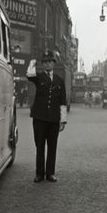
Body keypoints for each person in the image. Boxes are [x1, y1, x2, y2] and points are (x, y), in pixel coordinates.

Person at [26, 50, 67, 183]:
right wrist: (33, 61)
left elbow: (62, 101)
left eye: (50, 61)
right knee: (40, 146)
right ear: (43, 64)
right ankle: (39, 174)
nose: (47, 64)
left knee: (52, 146)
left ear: (53, 63)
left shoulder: (59, 81)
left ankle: (50, 173)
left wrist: (63, 120)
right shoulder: (38, 77)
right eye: (45, 62)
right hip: (39, 118)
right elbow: (29, 75)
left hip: (54, 119)